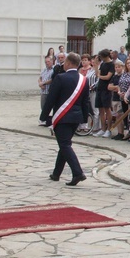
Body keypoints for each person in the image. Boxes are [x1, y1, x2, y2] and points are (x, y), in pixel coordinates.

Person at [41, 52, 91, 186]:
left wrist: (44, 116)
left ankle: (77, 173)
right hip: (76, 117)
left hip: (62, 117)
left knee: (64, 145)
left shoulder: (60, 78)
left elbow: (51, 98)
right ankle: (56, 173)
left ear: (68, 63)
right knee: (64, 144)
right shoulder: (83, 79)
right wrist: (84, 120)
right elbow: (85, 102)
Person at [94, 49, 115, 138]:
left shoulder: (111, 65)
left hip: (107, 89)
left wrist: (99, 76)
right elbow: (97, 74)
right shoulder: (102, 64)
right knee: (100, 110)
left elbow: (108, 77)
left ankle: (109, 129)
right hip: (100, 88)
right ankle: (102, 128)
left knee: (107, 109)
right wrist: (96, 65)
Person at [38, 56, 55, 125]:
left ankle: (52, 120)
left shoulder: (54, 69)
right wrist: (40, 83)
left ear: (52, 61)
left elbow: (52, 79)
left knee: (50, 106)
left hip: (50, 91)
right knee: (43, 106)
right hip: (43, 91)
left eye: (48, 61)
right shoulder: (44, 70)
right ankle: (44, 119)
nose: (47, 63)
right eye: (46, 62)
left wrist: (44, 83)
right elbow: (40, 78)